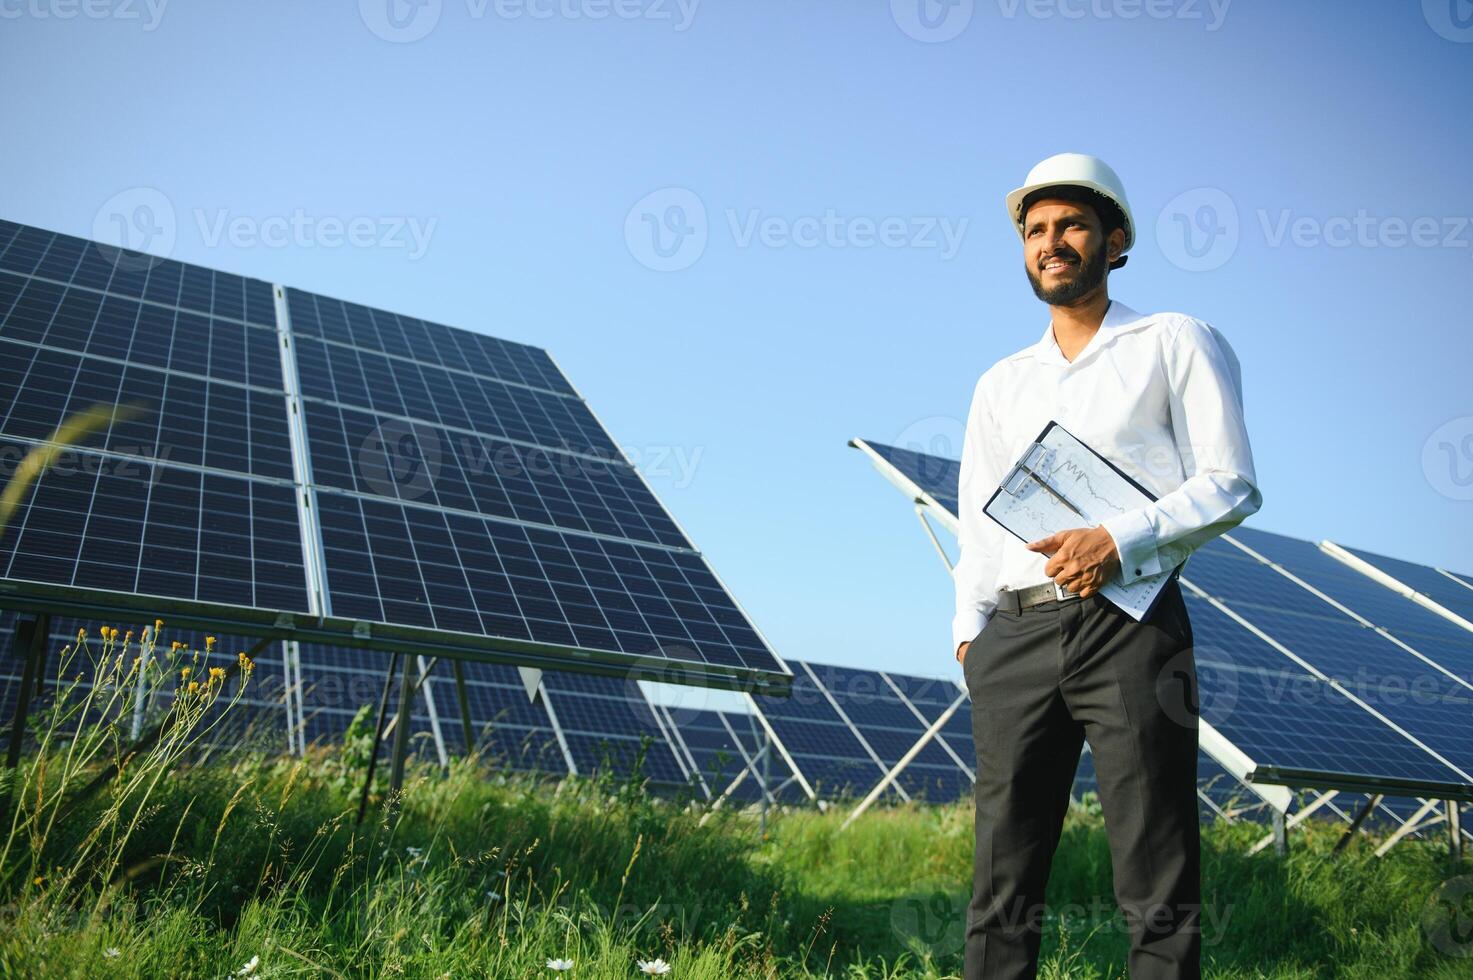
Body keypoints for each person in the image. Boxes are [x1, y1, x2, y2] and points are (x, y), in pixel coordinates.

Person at [953, 152, 1262, 980]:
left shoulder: (1171, 341)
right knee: (1001, 873)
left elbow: (1230, 482)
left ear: (1114, 240)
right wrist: (968, 633)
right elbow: (976, 519)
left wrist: (1117, 538)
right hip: (1012, 636)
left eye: (1071, 226)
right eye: (1035, 230)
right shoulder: (999, 383)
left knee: (1153, 857)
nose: (1050, 242)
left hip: (1131, 627)